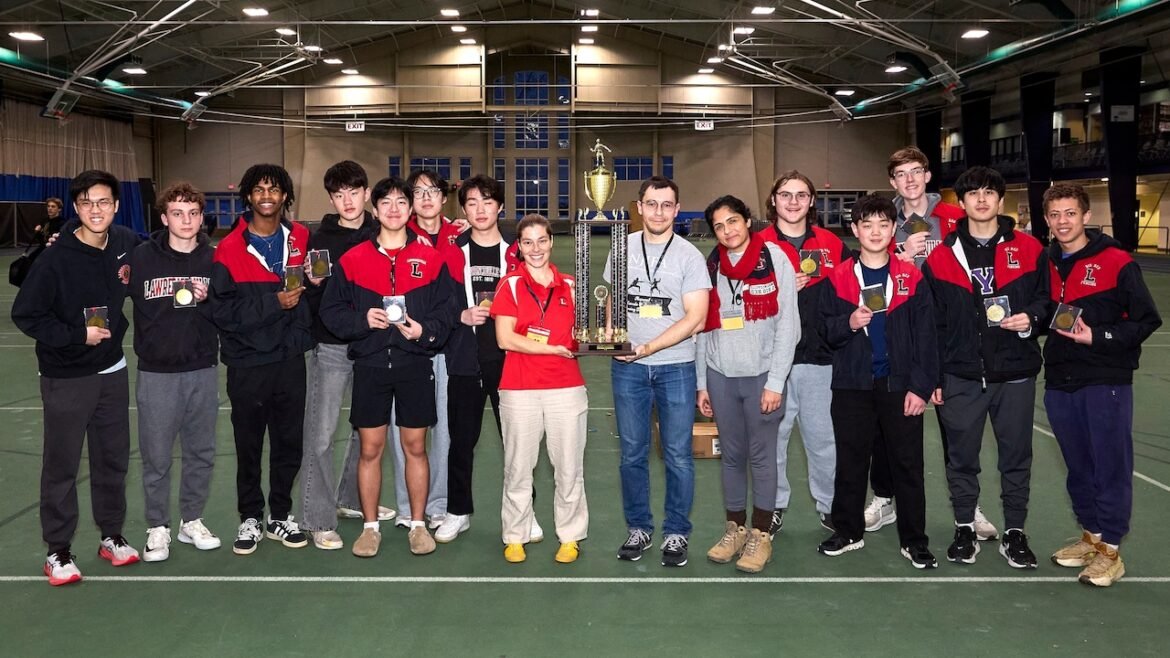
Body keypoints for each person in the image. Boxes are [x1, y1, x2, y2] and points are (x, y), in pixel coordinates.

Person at [13, 170, 142, 585]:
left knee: (112, 460)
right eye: (87, 202)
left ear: (117, 205)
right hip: (66, 374)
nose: (96, 210)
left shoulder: (123, 241)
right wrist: (75, 336)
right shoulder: (55, 258)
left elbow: (160, 254)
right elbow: (26, 314)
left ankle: (111, 536)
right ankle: (58, 550)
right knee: (62, 464)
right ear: (75, 208)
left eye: (103, 201)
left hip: (112, 371)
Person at [320, 176, 459, 557]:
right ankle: (369, 528)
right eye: (386, 203)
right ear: (375, 209)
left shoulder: (431, 259)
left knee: (415, 446)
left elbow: (446, 312)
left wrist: (423, 332)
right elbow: (330, 311)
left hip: (414, 364)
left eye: (401, 201)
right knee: (370, 448)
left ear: (410, 209)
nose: (394, 209)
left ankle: (417, 524)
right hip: (370, 365)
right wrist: (362, 321)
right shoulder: (353, 260)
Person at [922, 166, 1049, 569]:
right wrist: (936, 377)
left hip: (1015, 373)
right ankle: (964, 528)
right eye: (973, 193)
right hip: (961, 375)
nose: (981, 199)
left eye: (989, 192)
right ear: (960, 204)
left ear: (1000, 199)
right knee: (961, 458)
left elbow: (1047, 302)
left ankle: (1015, 532)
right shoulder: (941, 256)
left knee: (1016, 457)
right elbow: (933, 325)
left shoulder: (1029, 249)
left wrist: (1031, 319)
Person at [865, 147, 993, 539]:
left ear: (927, 174)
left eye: (915, 171)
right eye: (901, 174)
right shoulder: (882, 222)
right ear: (892, 182)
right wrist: (900, 255)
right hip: (898, 333)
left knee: (957, 426)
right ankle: (884, 498)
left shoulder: (955, 218)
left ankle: (969, 508)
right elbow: (869, 270)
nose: (909, 179)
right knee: (888, 424)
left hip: (949, 335)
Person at [1042, 184, 1161, 587]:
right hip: (1060, 379)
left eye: (1070, 213)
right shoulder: (1048, 261)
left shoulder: (1116, 261)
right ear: (1047, 220)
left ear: (1086, 216)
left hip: (1105, 379)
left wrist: (1101, 338)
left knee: (1109, 464)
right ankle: (1091, 536)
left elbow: (1146, 320)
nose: (1063, 221)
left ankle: (1111, 550)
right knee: (1077, 465)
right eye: (1055, 214)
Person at [817, 194, 938, 569]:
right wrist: (847, 324)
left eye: (883, 225)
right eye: (866, 225)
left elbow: (927, 337)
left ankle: (914, 540)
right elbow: (825, 330)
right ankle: (848, 531)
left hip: (900, 387)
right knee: (850, 462)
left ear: (892, 230)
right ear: (855, 230)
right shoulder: (837, 278)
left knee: (907, 465)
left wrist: (920, 387)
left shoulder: (911, 277)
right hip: (852, 386)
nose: (875, 232)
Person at [210, 163, 314, 556]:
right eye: (258, 189)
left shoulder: (301, 237)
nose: (266, 196)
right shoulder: (228, 248)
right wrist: (273, 303)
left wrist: (316, 286)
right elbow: (223, 312)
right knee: (249, 443)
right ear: (248, 197)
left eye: (274, 189)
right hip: (247, 361)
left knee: (290, 442)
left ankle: (281, 516)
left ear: (286, 195)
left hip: (289, 359)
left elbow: (311, 296)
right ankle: (251, 516)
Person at [608, 176, 710, 567]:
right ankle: (639, 527)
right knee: (631, 454)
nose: (658, 212)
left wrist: (647, 347)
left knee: (678, 455)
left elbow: (696, 318)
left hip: (675, 368)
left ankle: (676, 533)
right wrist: (611, 342)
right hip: (627, 370)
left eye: (667, 205)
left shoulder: (688, 256)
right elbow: (610, 304)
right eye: (652, 204)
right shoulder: (621, 248)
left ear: (677, 209)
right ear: (639, 206)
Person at [696, 195, 799, 574]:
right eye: (719, 226)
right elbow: (701, 329)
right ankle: (735, 528)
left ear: (748, 220)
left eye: (733, 221)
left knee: (762, 457)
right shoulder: (711, 266)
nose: (728, 231)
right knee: (732, 456)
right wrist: (702, 382)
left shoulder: (774, 258)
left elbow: (789, 325)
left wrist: (776, 382)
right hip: (722, 377)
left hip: (761, 378)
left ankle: (761, 534)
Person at [299, 161, 395, 552]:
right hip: (333, 347)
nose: (348, 201)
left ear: (366, 192)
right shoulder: (319, 240)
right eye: (339, 195)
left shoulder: (382, 233)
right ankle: (317, 518)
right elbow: (309, 298)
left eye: (354, 192)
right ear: (332, 198)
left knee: (367, 430)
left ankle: (352, 499)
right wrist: (310, 282)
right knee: (321, 435)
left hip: (373, 347)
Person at [434, 174, 530, 543]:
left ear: (500, 207)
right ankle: (458, 511)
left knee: (517, 442)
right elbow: (438, 303)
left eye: (487, 202)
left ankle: (523, 514)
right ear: (463, 209)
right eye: (471, 202)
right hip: (464, 358)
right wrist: (461, 315)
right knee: (461, 441)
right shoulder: (451, 251)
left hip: (509, 361)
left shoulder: (515, 252)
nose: (480, 209)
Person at [130, 182, 221, 562]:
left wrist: (210, 298)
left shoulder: (215, 260)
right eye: (178, 213)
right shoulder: (140, 259)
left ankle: (191, 520)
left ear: (202, 218)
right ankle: (157, 527)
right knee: (157, 456)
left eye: (194, 213)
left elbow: (229, 312)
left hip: (202, 368)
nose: (186, 220)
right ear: (164, 217)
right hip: (156, 373)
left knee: (201, 452)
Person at [491, 214, 589, 564]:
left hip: (566, 387)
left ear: (551, 242)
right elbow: (505, 338)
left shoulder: (571, 285)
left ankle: (570, 535)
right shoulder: (510, 285)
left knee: (568, 467)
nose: (535, 249)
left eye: (542, 241)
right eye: (528, 242)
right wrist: (552, 348)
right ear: (519, 247)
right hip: (519, 389)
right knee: (518, 467)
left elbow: (585, 335)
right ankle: (515, 534)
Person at [758, 170, 848, 535]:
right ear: (774, 200)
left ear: (811, 201)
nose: (793, 201)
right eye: (785, 194)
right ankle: (774, 505)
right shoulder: (756, 243)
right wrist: (777, 288)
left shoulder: (832, 244)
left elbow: (851, 291)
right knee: (773, 440)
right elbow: (738, 296)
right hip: (770, 362)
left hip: (819, 358)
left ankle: (829, 504)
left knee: (823, 439)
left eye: (800, 195)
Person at [384, 169, 463, 530]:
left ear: (444, 197)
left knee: (445, 429)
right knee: (405, 431)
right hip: (405, 348)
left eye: (433, 191)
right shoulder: (397, 235)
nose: (427, 198)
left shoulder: (460, 235)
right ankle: (406, 506)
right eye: (418, 192)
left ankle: (440, 504)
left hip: (447, 345)